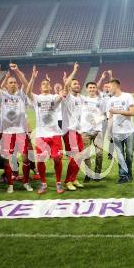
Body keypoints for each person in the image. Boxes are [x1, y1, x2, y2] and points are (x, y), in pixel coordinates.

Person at [0, 63, 33, 193]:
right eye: (11, 82)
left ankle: (26, 182)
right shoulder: (3, 95)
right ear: (7, 85)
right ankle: (10, 184)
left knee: (26, 158)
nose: (13, 84)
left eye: (15, 82)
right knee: (8, 159)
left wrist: (18, 71)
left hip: (21, 132)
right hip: (7, 133)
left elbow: (26, 85)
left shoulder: (21, 95)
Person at [26, 66, 65, 194]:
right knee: (41, 160)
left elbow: (62, 94)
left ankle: (58, 183)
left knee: (57, 159)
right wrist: (32, 78)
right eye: (43, 84)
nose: (45, 85)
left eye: (47, 84)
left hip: (55, 134)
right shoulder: (36, 98)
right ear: (40, 87)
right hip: (41, 135)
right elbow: (27, 93)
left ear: (50, 86)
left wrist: (65, 82)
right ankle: (43, 184)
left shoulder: (54, 98)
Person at [107, 79, 134, 184]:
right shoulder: (110, 101)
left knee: (129, 155)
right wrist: (109, 133)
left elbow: (132, 112)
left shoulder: (128, 96)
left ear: (115, 86)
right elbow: (110, 117)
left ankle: (129, 173)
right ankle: (123, 176)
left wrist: (117, 111)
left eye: (109, 87)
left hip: (128, 131)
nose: (108, 89)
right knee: (120, 156)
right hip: (116, 132)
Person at [61, 63, 85, 191]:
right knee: (74, 156)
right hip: (69, 131)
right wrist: (74, 70)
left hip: (77, 131)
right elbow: (65, 86)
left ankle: (74, 178)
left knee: (80, 156)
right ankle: (67, 181)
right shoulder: (67, 97)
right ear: (70, 87)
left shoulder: (80, 98)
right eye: (74, 84)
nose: (77, 85)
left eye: (78, 84)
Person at [80, 81, 106, 183]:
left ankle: (98, 174)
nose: (91, 89)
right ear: (86, 89)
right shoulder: (82, 99)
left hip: (98, 131)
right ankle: (88, 174)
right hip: (85, 131)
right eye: (90, 88)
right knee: (86, 155)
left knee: (99, 154)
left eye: (93, 87)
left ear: (96, 89)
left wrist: (96, 120)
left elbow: (105, 115)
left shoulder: (101, 101)